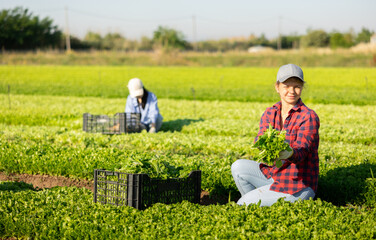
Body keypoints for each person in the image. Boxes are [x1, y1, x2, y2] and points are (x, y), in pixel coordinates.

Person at [231, 63, 320, 207]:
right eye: (286, 86)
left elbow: (302, 151)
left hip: (298, 185)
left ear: (302, 88)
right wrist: (261, 143)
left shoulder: (308, 116)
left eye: (297, 86)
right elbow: (260, 138)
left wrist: (289, 153)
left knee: (243, 203)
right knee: (238, 166)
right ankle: (261, 203)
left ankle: (254, 203)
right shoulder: (270, 113)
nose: (292, 91)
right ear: (277, 87)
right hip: (275, 175)